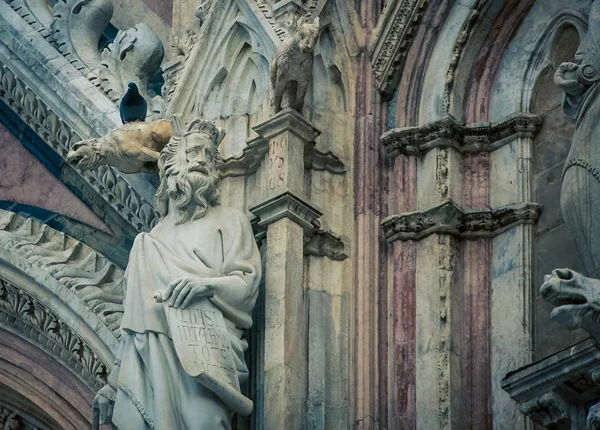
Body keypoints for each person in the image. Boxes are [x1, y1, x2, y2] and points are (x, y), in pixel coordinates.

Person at [92, 115, 261, 429]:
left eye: (208, 155)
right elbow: (132, 328)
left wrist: (205, 286)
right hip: (150, 362)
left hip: (207, 355)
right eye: (193, 152)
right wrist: (114, 384)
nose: (200, 160)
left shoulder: (230, 221)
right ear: (170, 164)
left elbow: (247, 287)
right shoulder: (149, 242)